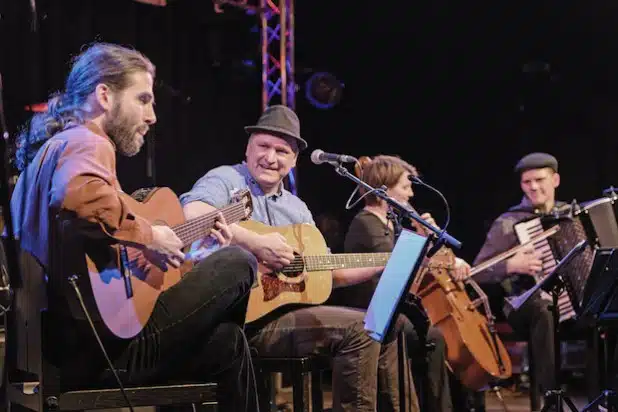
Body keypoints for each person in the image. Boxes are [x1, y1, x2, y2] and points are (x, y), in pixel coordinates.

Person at [10, 43, 259, 411]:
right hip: (97, 349)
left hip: (57, 351)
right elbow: (78, 197)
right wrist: (150, 235)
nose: (152, 115)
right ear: (104, 95)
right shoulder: (88, 141)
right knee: (239, 261)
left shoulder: (51, 148)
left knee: (228, 343)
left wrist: (188, 250)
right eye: (143, 99)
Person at [180, 105, 417, 412]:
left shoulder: (297, 209)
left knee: (379, 323)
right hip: (231, 323)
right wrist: (257, 242)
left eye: (282, 151)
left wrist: (389, 262)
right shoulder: (226, 179)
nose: (270, 158)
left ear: (293, 160)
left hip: (276, 319)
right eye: (263, 146)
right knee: (359, 329)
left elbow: (328, 271)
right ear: (248, 147)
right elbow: (193, 214)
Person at [329, 155, 470, 412]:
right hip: (371, 311)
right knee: (432, 335)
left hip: (392, 309)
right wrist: (424, 244)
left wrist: (429, 241)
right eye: (405, 187)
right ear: (384, 190)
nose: (411, 193)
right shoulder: (366, 223)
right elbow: (396, 271)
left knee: (433, 334)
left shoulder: (389, 223)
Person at [473, 152, 566, 398]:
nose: (533, 187)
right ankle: (547, 400)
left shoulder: (569, 214)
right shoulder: (509, 221)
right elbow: (477, 272)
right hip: (521, 304)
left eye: (539, 180)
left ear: (555, 180)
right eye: (527, 182)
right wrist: (510, 266)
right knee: (545, 309)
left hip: (569, 303)